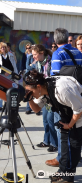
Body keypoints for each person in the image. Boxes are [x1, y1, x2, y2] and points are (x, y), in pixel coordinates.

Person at [24, 70, 82, 183]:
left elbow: (79, 108)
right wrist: (29, 98)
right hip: (68, 115)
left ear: (38, 87)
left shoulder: (62, 89)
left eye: (30, 91)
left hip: (78, 115)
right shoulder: (44, 90)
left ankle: (67, 178)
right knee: (65, 146)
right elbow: (36, 109)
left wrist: (70, 125)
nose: (29, 93)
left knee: (72, 147)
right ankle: (62, 171)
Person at [49, 28, 82, 167]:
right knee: (75, 133)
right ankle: (73, 159)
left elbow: (55, 78)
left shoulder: (57, 54)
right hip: (78, 94)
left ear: (56, 40)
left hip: (63, 97)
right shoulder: (78, 52)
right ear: (68, 38)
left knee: (62, 131)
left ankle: (62, 161)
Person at [31, 44, 57, 151]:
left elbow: (52, 79)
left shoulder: (51, 62)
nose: (33, 57)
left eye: (35, 54)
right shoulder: (38, 63)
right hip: (43, 94)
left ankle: (55, 144)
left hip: (51, 95)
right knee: (45, 119)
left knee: (51, 120)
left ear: (42, 53)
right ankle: (47, 141)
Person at [0, 42, 18, 110]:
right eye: (1, 48)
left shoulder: (11, 55)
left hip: (9, 75)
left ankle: (7, 104)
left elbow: (13, 66)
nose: (3, 48)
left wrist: (13, 74)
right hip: (0, 75)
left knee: (8, 90)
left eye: (4, 47)